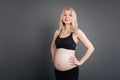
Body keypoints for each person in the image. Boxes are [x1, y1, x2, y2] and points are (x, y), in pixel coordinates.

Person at [50, 7, 95, 80]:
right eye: (65, 15)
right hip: (57, 71)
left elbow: (91, 48)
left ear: (73, 18)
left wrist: (80, 62)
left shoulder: (77, 32)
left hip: (71, 72)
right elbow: (52, 46)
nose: (67, 17)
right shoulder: (57, 32)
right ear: (62, 17)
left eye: (70, 15)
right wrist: (53, 57)